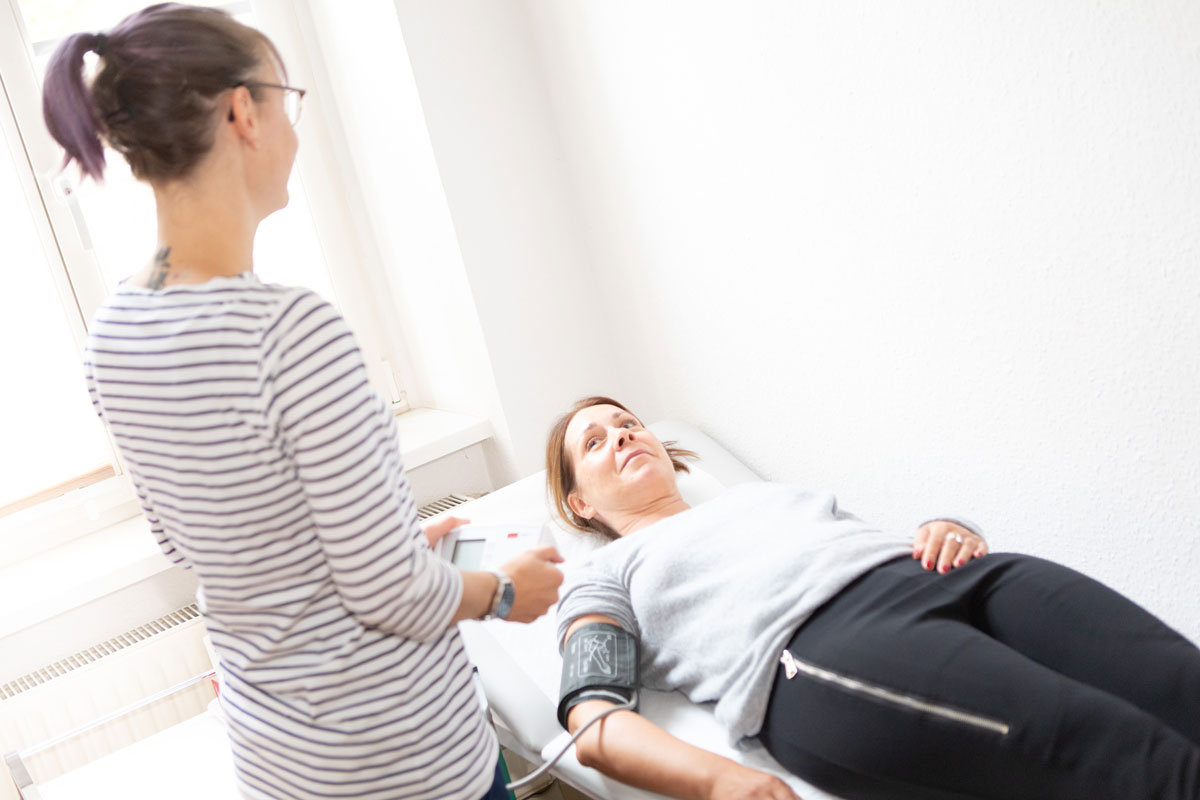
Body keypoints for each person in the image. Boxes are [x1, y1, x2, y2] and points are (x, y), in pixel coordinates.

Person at [41, 5, 564, 799]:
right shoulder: (290, 332)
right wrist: (505, 591)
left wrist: (386, 537)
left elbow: (197, 543)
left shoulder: (113, 334)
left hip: (282, 764)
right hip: (402, 762)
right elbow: (392, 593)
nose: (292, 127)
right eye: (285, 98)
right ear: (243, 113)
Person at [546, 396, 1200, 800]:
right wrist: (722, 781)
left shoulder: (757, 498)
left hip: (944, 576)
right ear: (580, 503)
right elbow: (595, 722)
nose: (623, 435)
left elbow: (859, 545)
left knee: (1179, 681)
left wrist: (947, 529)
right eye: (595, 442)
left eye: (628, 423)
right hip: (826, 646)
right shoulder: (604, 574)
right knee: (1129, 755)